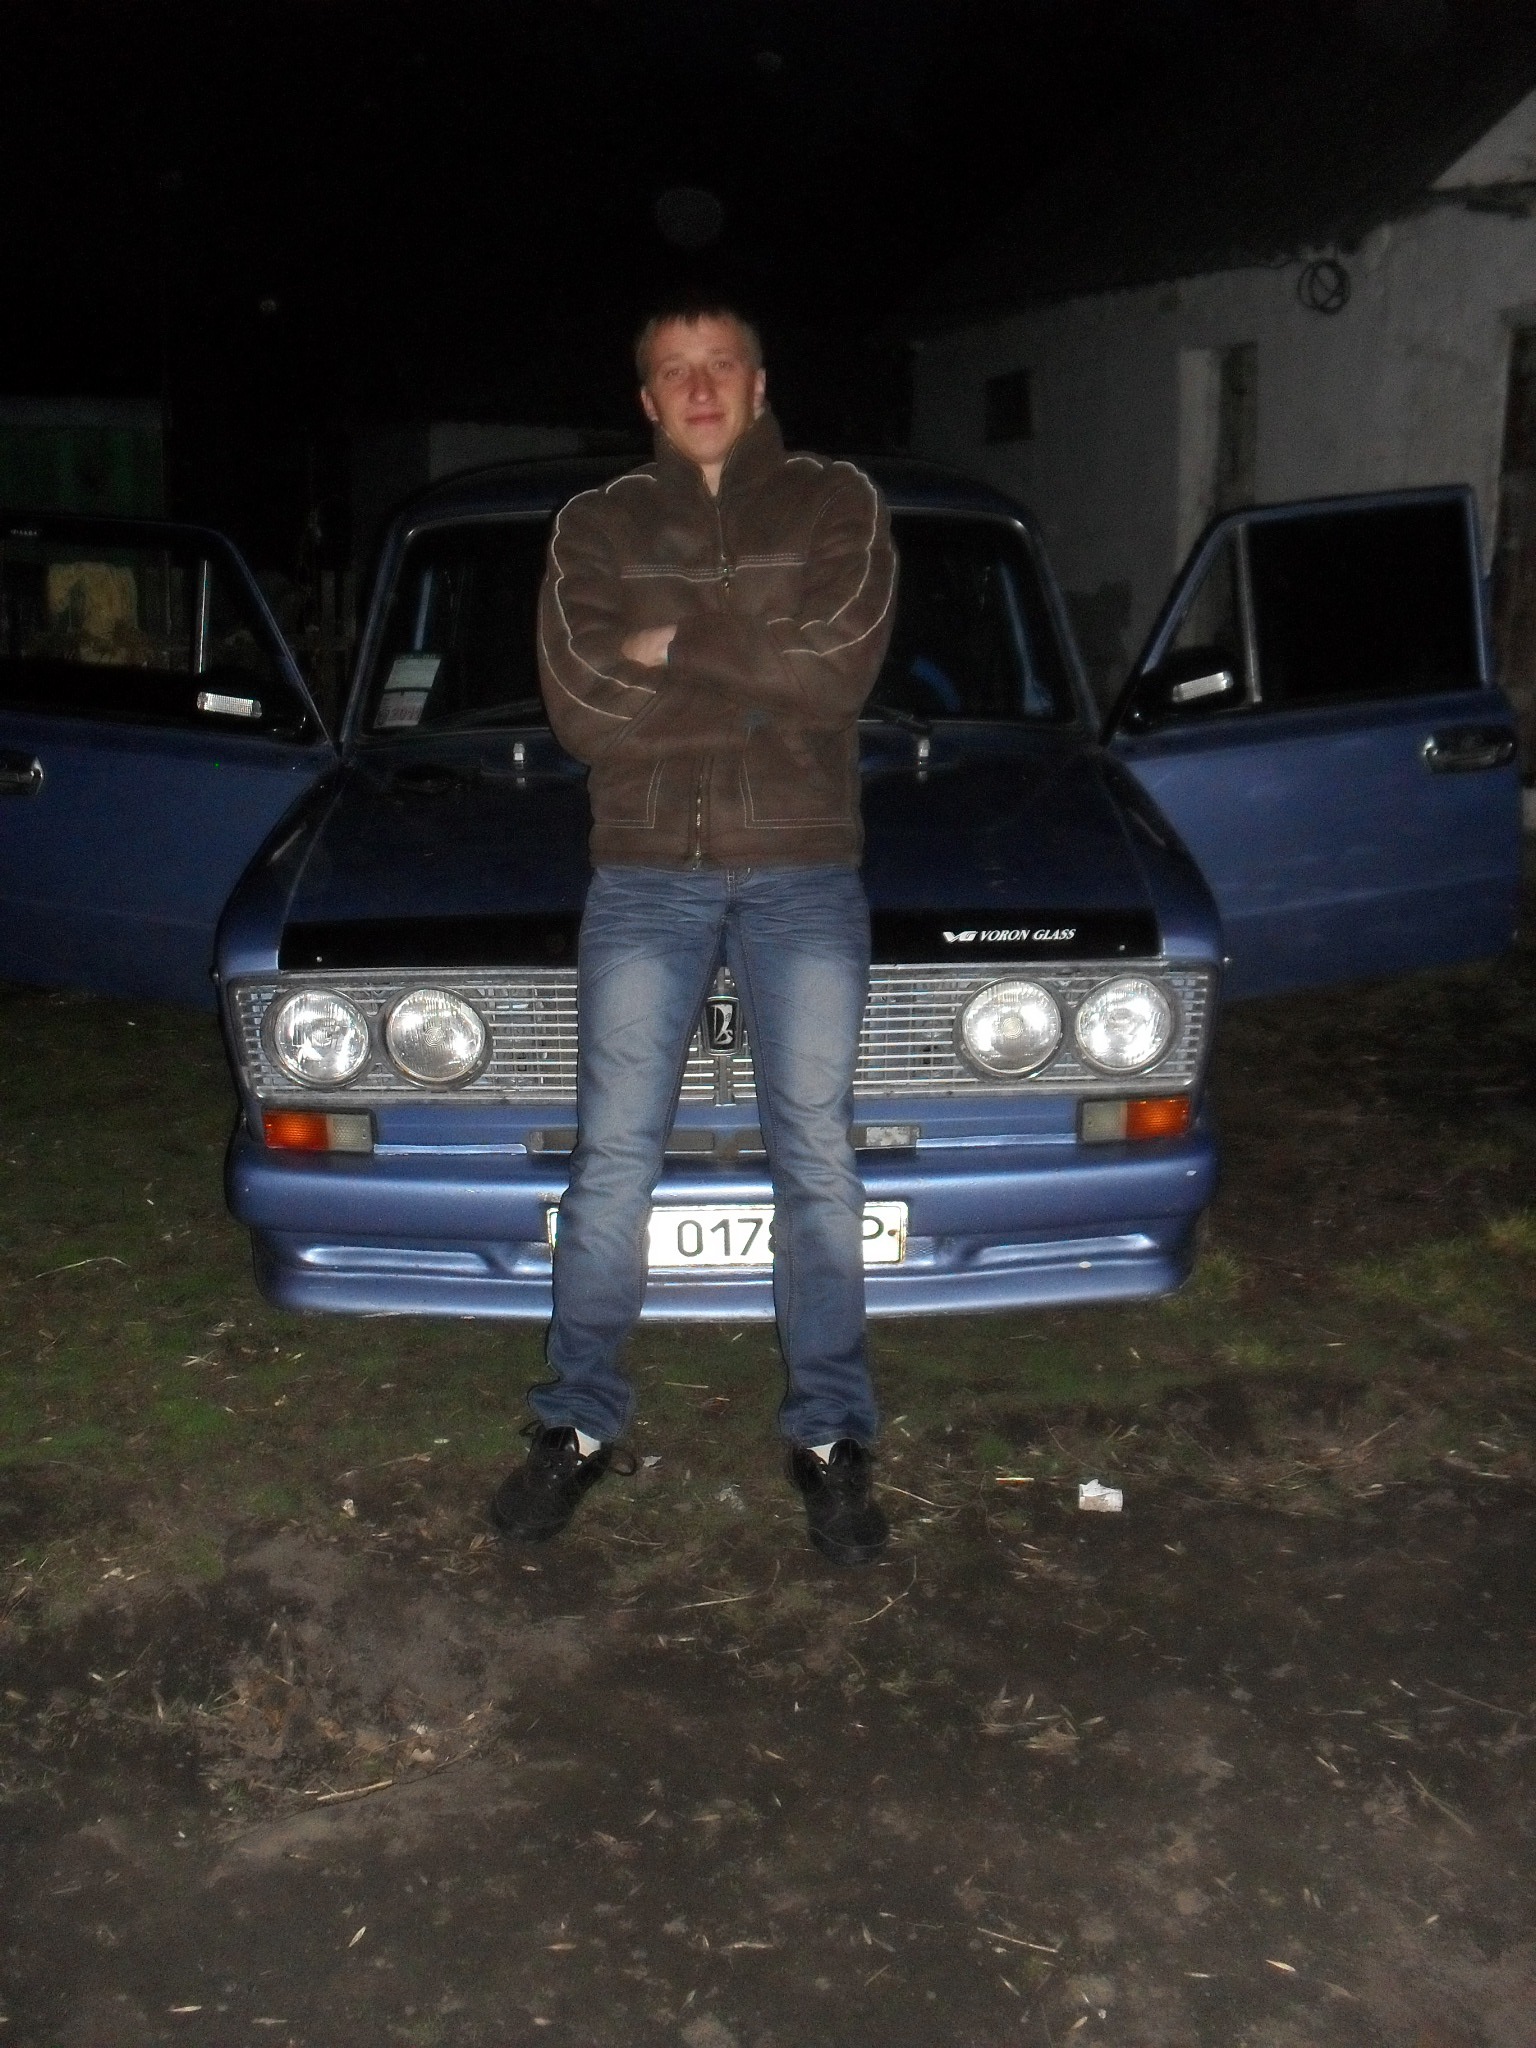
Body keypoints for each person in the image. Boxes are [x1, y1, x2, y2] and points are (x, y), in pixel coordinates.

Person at [488, 300, 897, 1564]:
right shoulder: (597, 523)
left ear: (760, 384)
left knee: (816, 1156)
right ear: (648, 401)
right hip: (646, 874)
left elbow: (838, 672)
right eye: (676, 371)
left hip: (803, 870)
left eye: (721, 365)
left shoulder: (836, 502)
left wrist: (669, 645)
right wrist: (755, 683)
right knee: (613, 1158)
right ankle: (577, 1422)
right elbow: (581, 708)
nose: (701, 386)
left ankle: (831, 1436)